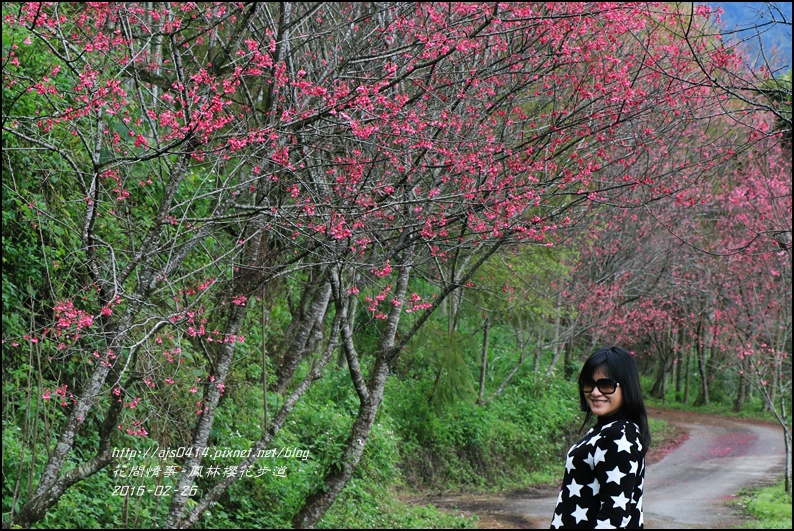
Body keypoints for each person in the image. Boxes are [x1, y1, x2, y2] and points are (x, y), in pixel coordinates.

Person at [550, 346, 651, 529]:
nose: (595, 392)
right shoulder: (604, 430)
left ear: (626, 386)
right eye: (589, 384)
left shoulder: (619, 435)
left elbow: (614, 515)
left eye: (606, 385)